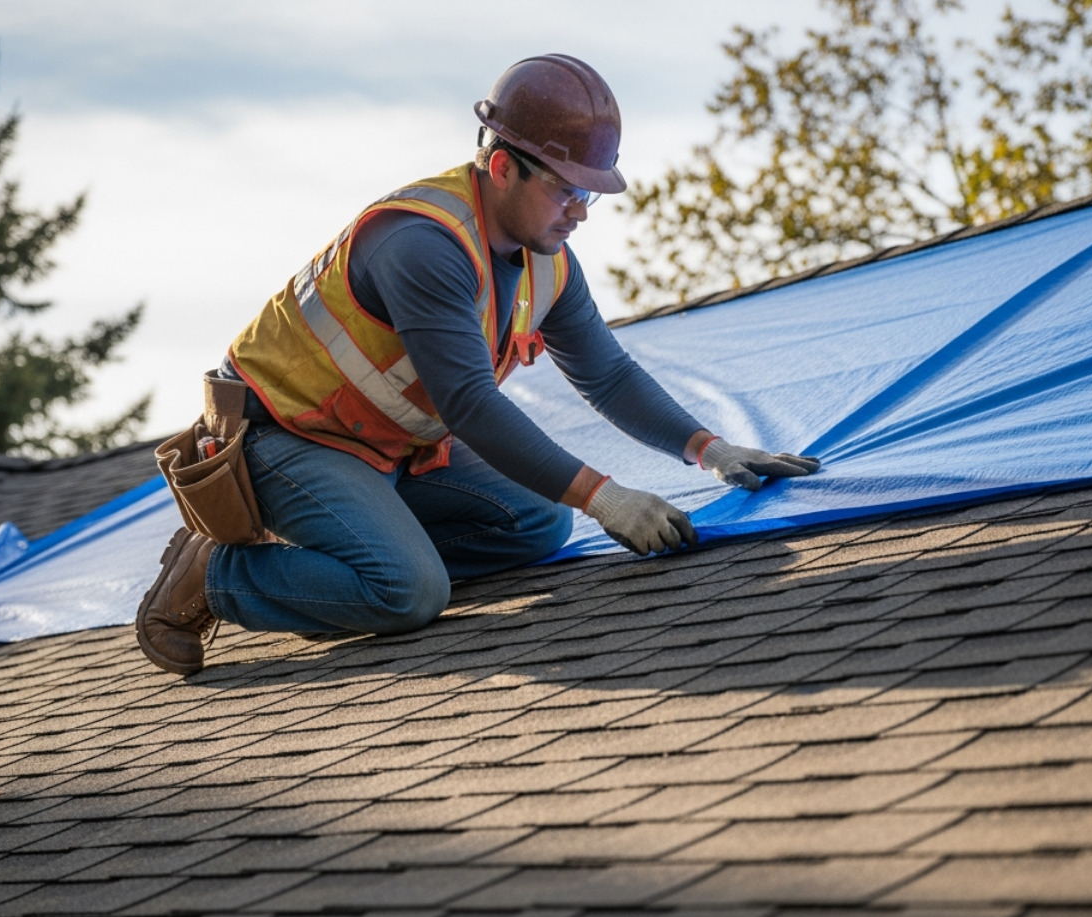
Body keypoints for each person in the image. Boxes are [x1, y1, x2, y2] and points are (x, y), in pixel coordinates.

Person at [136, 54, 819, 675]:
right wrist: (607, 498)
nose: (581, 211)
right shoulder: (423, 244)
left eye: (591, 195)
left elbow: (607, 375)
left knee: (539, 522)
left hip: (383, 449)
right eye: (567, 191)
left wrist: (711, 448)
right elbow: (468, 404)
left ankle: (374, 542)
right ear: (502, 168)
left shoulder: (547, 263)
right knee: (408, 592)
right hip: (280, 437)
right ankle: (217, 573)